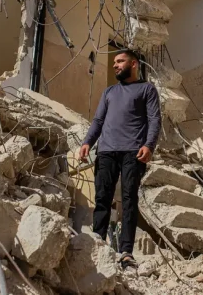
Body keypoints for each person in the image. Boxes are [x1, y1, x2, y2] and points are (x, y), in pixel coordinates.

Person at [79, 49, 161, 269]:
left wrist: (149, 145)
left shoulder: (146, 89)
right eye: (114, 62)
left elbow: (154, 120)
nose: (115, 65)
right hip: (106, 151)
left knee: (128, 200)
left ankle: (126, 251)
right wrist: (88, 142)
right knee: (102, 197)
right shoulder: (109, 92)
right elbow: (98, 120)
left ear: (133, 64)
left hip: (133, 152)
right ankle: (97, 241)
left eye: (120, 61)